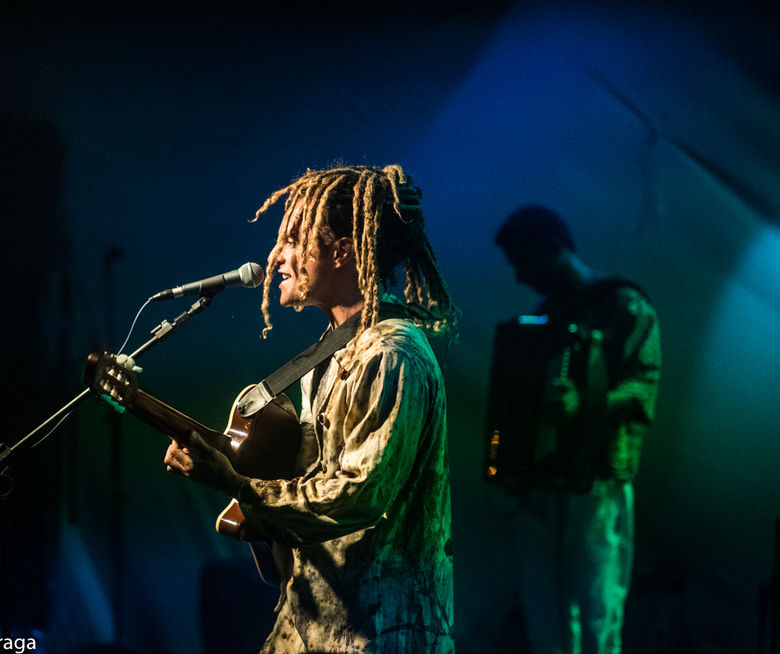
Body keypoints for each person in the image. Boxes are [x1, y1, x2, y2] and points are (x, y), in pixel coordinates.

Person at [163, 164, 457, 653]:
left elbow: (357, 496)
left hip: (379, 633)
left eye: (294, 240)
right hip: (309, 624)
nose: (277, 255)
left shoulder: (391, 353)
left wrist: (236, 484)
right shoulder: (333, 351)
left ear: (342, 251)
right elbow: (311, 479)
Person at [490, 204, 661, 654]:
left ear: (554, 248)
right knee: (544, 612)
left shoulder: (625, 305)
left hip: (597, 483)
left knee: (595, 609)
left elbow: (642, 389)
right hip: (542, 483)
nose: (520, 276)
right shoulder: (544, 314)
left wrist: (583, 404)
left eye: (524, 262)